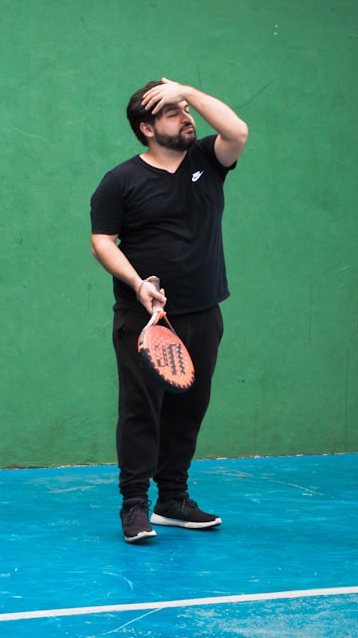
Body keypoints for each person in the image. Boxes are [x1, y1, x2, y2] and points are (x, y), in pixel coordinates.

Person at [90, 77, 249, 543]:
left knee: (189, 409)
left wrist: (188, 91)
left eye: (186, 110)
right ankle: (134, 506)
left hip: (204, 312)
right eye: (172, 112)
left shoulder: (207, 161)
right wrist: (138, 284)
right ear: (145, 127)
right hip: (146, 318)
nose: (187, 118)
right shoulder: (120, 182)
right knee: (142, 411)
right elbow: (103, 242)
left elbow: (237, 131)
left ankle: (173, 501)